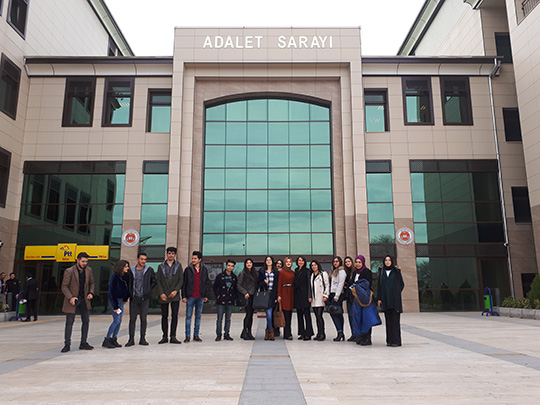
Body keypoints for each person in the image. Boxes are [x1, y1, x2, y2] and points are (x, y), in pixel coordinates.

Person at [60, 252, 95, 353]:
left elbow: (92, 282)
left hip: (84, 299)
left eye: (86, 262)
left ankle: (83, 343)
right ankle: (67, 344)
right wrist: (70, 297)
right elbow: (64, 286)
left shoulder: (89, 270)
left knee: (86, 321)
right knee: (69, 322)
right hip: (72, 300)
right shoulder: (69, 271)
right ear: (77, 260)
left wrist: (91, 292)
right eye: (83, 261)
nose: (84, 263)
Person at [127, 252, 157, 347]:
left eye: (145, 259)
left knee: (143, 319)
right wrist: (130, 293)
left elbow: (154, 281)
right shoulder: (131, 271)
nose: (143, 261)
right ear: (137, 259)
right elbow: (128, 283)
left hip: (145, 298)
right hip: (134, 298)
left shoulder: (149, 270)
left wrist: (148, 290)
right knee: (132, 319)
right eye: (142, 259)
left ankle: (142, 339)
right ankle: (131, 339)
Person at [156, 247, 184, 344]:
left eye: (172, 253)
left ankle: (173, 336)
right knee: (164, 316)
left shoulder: (178, 266)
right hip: (164, 295)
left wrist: (176, 290)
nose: (171, 255)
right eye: (169, 253)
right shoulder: (161, 266)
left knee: (174, 316)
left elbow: (181, 279)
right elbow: (158, 281)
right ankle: (164, 336)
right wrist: (161, 293)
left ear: (175, 255)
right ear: (167, 254)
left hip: (174, 295)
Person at [182, 250, 210, 342]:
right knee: (188, 317)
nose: (193, 260)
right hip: (190, 297)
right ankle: (187, 336)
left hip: (200, 297)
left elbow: (207, 283)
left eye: (195, 258)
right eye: (192, 258)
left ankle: (196, 335)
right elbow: (184, 284)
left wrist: (206, 295)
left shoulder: (204, 270)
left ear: (199, 260)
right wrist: (184, 296)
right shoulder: (188, 270)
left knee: (198, 317)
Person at [377, 255, 405, 347]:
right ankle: (389, 340)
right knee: (388, 321)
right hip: (385, 300)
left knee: (395, 321)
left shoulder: (396, 272)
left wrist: (396, 292)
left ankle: (396, 341)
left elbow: (401, 284)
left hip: (394, 300)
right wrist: (379, 298)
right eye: (386, 260)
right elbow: (379, 286)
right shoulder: (381, 272)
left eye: (389, 260)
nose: (387, 262)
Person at [103, 260, 130, 348]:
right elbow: (111, 291)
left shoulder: (126, 277)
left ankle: (114, 338)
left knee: (120, 320)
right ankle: (107, 339)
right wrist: (115, 305)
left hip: (121, 300)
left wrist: (125, 298)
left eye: (128, 266)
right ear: (121, 267)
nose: (127, 268)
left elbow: (127, 289)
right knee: (116, 320)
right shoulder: (115, 277)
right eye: (126, 266)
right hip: (114, 300)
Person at [350, 255, 374, 345]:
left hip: (365, 299)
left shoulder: (367, 272)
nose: (358, 264)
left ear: (363, 263)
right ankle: (361, 336)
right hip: (357, 299)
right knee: (358, 318)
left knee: (366, 318)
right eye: (356, 262)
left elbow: (367, 284)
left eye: (359, 262)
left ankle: (367, 338)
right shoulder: (355, 273)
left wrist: (356, 286)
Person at [213, 259, 238, 341]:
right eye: (229, 265)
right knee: (219, 319)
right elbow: (215, 287)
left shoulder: (234, 277)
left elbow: (236, 289)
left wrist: (234, 298)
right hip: (221, 300)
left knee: (228, 319)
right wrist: (218, 296)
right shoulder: (220, 276)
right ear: (226, 266)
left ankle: (226, 334)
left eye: (232, 266)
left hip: (230, 300)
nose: (230, 267)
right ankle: (218, 334)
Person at [259, 256, 279, 341]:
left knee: (270, 314)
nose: (268, 261)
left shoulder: (276, 272)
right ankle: (271, 332)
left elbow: (277, 285)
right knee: (269, 314)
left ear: (272, 261)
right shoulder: (262, 271)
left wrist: (276, 296)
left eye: (270, 260)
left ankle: (267, 333)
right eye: (267, 260)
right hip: (265, 295)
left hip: (272, 295)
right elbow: (258, 283)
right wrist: (264, 282)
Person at [237, 258, 258, 340]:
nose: (249, 264)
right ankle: (246, 332)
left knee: (251, 315)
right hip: (247, 296)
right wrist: (245, 292)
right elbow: (238, 285)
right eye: (247, 263)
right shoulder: (243, 273)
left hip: (253, 296)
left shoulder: (255, 273)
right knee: (248, 315)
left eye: (250, 263)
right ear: (245, 264)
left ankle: (247, 332)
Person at [294, 256, 314, 340]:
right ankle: (301, 333)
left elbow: (309, 284)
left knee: (307, 314)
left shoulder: (307, 271)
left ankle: (308, 333)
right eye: (299, 260)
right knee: (299, 315)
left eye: (302, 260)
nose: (300, 262)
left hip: (305, 294)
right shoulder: (296, 270)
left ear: (304, 262)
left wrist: (309, 296)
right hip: (298, 295)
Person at [309, 260, 329, 341]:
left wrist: (326, 295)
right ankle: (318, 333)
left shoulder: (323, 274)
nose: (314, 267)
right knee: (316, 317)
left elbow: (327, 285)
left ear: (318, 265)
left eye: (315, 265)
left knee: (319, 316)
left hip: (321, 297)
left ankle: (322, 334)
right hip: (314, 298)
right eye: (312, 265)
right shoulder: (311, 275)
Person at [329, 256, 347, 341]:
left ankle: (340, 332)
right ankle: (340, 332)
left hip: (338, 294)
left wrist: (337, 296)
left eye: (337, 261)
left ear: (340, 262)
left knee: (334, 312)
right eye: (334, 261)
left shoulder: (341, 271)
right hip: (333, 293)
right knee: (338, 313)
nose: (335, 263)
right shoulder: (334, 271)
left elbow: (340, 284)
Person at [277, 257, 295, 340]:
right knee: (285, 314)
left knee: (289, 314)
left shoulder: (293, 272)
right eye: (287, 262)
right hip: (284, 293)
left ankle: (288, 333)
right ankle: (287, 333)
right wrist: (279, 295)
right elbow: (279, 284)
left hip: (291, 293)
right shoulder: (281, 272)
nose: (288, 263)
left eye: (290, 262)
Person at [343, 256, 357, 342]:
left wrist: (348, 286)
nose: (347, 263)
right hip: (348, 297)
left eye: (348, 261)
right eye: (346, 262)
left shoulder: (354, 272)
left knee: (355, 316)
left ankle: (357, 334)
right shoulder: (345, 272)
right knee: (350, 316)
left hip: (354, 297)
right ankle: (353, 334)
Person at [274, 259, 284, 337]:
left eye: (280, 264)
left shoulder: (283, 272)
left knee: (280, 312)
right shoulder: (274, 272)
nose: (279, 265)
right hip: (274, 295)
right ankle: (274, 329)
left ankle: (279, 328)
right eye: (277, 263)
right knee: (274, 313)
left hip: (282, 295)